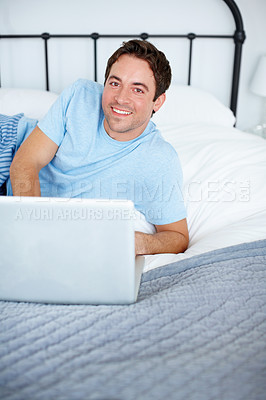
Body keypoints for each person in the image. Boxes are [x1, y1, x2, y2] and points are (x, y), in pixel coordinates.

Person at [0, 39, 189, 255]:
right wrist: (37, 230)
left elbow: (178, 237)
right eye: (115, 83)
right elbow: (26, 161)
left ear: (158, 102)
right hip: (8, 143)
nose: (120, 98)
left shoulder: (159, 160)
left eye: (137, 90)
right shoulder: (81, 94)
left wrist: (137, 243)